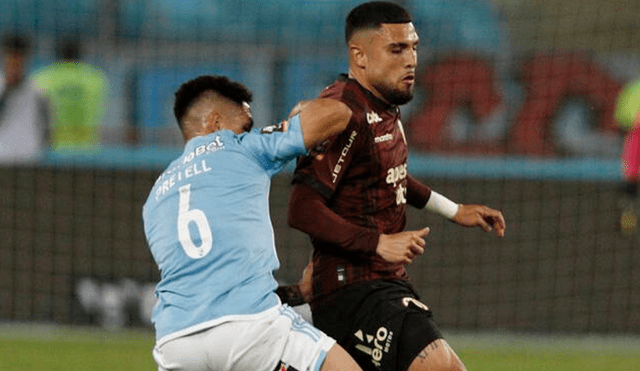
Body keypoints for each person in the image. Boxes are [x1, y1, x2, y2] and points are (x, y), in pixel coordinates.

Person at [283, 2, 506, 371]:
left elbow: (389, 173)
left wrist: (454, 210)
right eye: (397, 49)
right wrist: (378, 243)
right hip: (350, 287)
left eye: (414, 47)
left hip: (382, 281)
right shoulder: (340, 112)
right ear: (360, 56)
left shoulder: (383, 104)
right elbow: (302, 208)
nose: (412, 60)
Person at [142, 75, 363, 371]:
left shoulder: (155, 196)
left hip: (176, 343)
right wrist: (303, 110)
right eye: (245, 125)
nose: (249, 130)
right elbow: (339, 115)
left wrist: (297, 292)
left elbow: (206, 282)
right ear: (214, 122)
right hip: (250, 330)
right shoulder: (241, 147)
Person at [32, 38, 107, 151]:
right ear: (81, 54)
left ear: (57, 55)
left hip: (53, 150)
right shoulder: (97, 79)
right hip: (87, 149)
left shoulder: (41, 78)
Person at [0, 33, 49, 163]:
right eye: (10, 58)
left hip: (30, 160)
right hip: (3, 160)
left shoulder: (39, 90)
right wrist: (7, 90)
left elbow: (46, 129)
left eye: (18, 58)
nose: (14, 63)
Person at [615, 76, 640, 235]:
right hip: (634, 136)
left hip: (633, 137)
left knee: (630, 179)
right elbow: (621, 119)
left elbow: (621, 119)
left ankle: (628, 218)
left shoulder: (632, 88)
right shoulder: (632, 89)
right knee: (630, 179)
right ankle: (628, 218)